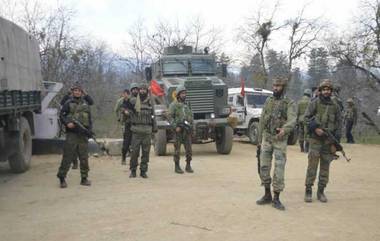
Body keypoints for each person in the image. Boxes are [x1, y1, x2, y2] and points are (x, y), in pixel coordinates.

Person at [256, 78, 296, 211]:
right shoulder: (269, 101)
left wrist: (285, 129)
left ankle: (276, 198)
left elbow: (292, 120)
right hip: (266, 138)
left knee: (279, 169)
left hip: (280, 140)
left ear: (283, 87)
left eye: (278, 86)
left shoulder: (289, 103)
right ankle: (267, 194)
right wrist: (258, 140)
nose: (275, 88)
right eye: (274, 85)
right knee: (264, 167)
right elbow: (262, 120)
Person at [304, 79, 342, 203]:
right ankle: (308, 190)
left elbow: (339, 125)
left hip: (328, 141)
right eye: (324, 89)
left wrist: (335, 144)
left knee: (325, 167)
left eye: (328, 90)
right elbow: (306, 119)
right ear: (320, 91)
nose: (326, 92)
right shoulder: (314, 103)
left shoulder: (335, 106)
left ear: (331, 91)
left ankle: (321, 191)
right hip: (315, 140)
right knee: (312, 166)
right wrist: (315, 129)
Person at [57, 83, 92, 188]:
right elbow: (62, 116)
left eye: (79, 90)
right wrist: (67, 123)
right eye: (75, 90)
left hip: (83, 135)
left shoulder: (85, 104)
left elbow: (89, 119)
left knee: (84, 157)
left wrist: (89, 131)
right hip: (72, 134)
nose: (77, 92)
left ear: (81, 92)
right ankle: (62, 178)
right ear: (72, 92)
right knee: (68, 156)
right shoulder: (68, 103)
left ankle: (84, 178)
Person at [126, 83, 155, 178]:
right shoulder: (133, 100)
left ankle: (143, 171)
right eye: (141, 89)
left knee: (146, 153)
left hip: (147, 131)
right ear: (138, 91)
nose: (142, 91)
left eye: (144, 89)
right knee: (134, 153)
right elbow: (126, 108)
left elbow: (153, 116)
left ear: (147, 91)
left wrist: (154, 128)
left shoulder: (150, 102)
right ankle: (133, 170)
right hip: (136, 131)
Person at [168, 85, 194, 174]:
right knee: (177, 150)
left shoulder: (187, 105)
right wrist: (176, 127)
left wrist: (192, 128)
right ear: (178, 94)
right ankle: (177, 166)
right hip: (178, 130)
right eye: (182, 93)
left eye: (185, 93)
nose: (184, 95)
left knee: (189, 150)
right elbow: (170, 117)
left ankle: (188, 165)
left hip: (187, 130)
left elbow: (191, 117)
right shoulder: (173, 105)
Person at [121, 83, 140, 165]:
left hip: (138, 124)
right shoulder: (128, 99)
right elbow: (123, 107)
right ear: (131, 90)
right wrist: (125, 111)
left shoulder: (140, 99)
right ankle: (123, 158)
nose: (135, 91)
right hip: (129, 124)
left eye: (136, 89)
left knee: (136, 144)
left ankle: (135, 160)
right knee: (126, 142)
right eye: (134, 89)